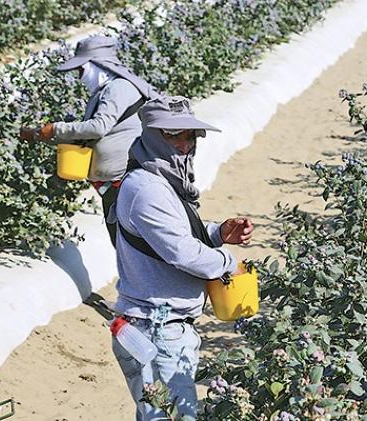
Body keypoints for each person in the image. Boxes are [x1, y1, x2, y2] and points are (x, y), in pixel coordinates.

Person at [111, 95, 254, 420]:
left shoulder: (160, 179)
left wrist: (217, 233)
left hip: (162, 328)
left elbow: (172, 233)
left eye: (189, 135)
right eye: (172, 134)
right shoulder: (146, 189)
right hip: (155, 330)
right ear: (149, 135)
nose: (184, 143)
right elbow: (183, 252)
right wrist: (229, 263)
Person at [20, 35, 158, 247]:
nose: (79, 76)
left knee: (133, 247)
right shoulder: (104, 91)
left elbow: (98, 127)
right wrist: (39, 135)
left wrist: (56, 128)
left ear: (96, 65)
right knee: (125, 245)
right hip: (113, 186)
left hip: (125, 184)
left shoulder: (119, 88)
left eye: (81, 70)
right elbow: (87, 135)